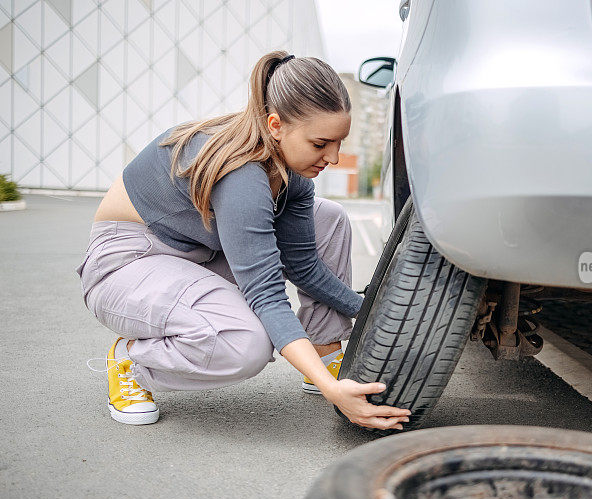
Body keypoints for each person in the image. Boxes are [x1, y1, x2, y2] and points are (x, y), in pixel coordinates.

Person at [75, 51, 411, 431]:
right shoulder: (241, 174)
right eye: (321, 143)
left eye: (339, 142)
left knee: (328, 218)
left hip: (197, 254)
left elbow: (303, 267)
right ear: (275, 125)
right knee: (245, 343)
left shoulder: (290, 173)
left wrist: (374, 312)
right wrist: (333, 390)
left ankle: (324, 347)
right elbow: (266, 293)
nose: (333, 157)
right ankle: (133, 361)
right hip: (128, 264)